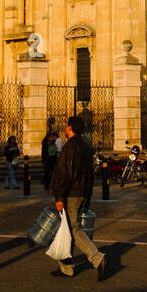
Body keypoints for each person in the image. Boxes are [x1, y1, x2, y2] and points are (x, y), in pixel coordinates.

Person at [48, 116, 106, 280]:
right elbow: (89, 173)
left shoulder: (69, 148)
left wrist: (59, 196)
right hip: (82, 192)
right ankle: (66, 267)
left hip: (71, 193)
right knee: (66, 228)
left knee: (72, 228)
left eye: (67, 127)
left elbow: (63, 173)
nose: (65, 129)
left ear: (70, 128)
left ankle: (97, 258)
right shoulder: (87, 147)